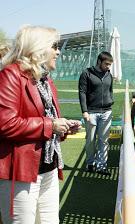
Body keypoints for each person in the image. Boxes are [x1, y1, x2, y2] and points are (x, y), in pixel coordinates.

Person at [0, 25, 81, 223]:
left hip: (49, 168)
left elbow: (47, 119)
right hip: (20, 172)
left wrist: (62, 127)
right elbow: (5, 124)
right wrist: (50, 126)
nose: (58, 51)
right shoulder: (10, 75)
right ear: (38, 47)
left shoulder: (45, 80)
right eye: (54, 46)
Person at [79, 51, 114, 175]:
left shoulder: (109, 75)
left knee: (104, 140)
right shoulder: (86, 73)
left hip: (106, 112)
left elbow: (110, 91)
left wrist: (111, 101)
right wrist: (85, 111)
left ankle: (101, 166)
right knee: (90, 140)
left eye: (110, 65)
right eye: (106, 64)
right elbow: (82, 92)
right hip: (91, 112)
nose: (108, 67)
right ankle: (90, 163)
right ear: (99, 61)